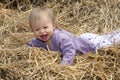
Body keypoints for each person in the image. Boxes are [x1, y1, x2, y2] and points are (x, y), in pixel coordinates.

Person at [28, 7, 120, 65]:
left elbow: (69, 50)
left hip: (89, 44)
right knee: (106, 36)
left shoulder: (60, 38)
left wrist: (64, 64)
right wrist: (27, 48)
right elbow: (31, 44)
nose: (42, 31)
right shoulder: (39, 40)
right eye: (37, 29)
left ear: (53, 25)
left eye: (45, 27)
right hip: (79, 39)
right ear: (33, 31)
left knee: (110, 42)